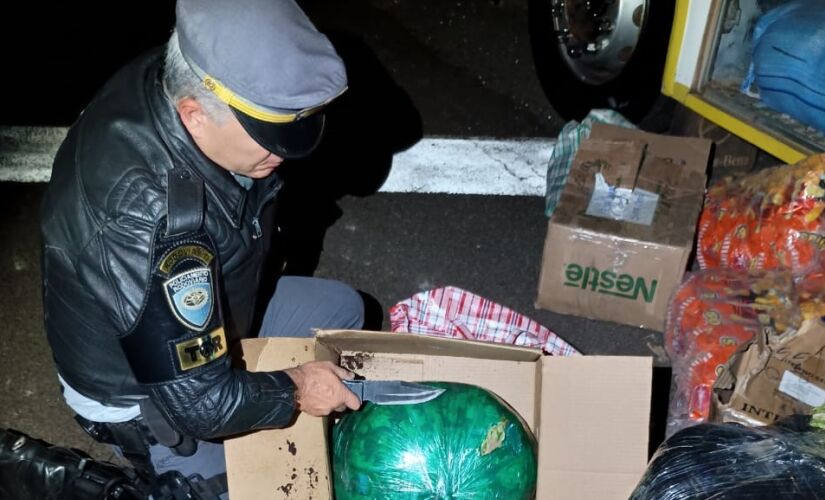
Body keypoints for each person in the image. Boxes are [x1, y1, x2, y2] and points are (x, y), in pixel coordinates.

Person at [39, 0, 365, 496]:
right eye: (267, 136)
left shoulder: (182, 71)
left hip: (211, 316)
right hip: (140, 392)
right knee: (260, 488)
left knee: (341, 309)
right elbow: (201, 405)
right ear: (193, 116)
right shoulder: (153, 223)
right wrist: (299, 386)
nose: (283, 152)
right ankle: (108, 480)